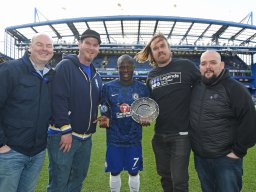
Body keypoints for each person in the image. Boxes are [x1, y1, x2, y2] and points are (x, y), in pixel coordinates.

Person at [135, 33, 201, 192]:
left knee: (179, 181)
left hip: (182, 134)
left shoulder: (186, 66)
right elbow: (150, 105)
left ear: (169, 49)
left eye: (162, 46)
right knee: (165, 177)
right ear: (152, 54)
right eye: (155, 48)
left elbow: (203, 89)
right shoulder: (151, 76)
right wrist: (144, 116)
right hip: (159, 135)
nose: (159, 50)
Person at [189, 50, 256, 192]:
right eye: (203, 63)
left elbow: (250, 122)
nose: (208, 66)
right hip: (201, 158)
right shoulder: (196, 88)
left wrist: (238, 152)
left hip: (226, 159)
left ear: (222, 65)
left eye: (213, 62)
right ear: (199, 66)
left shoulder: (235, 89)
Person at [47, 29, 102, 192]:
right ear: (79, 44)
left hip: (86, 138)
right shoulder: (65, 66)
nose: (91, 48)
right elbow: (58, 99)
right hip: (64, 135)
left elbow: (96, 102)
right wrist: (65, 129)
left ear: (98, 48)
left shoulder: (96, 75)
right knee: (59, 182)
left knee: (77, 180)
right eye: (87, 43)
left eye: (95, 45)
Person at [0, 33, 55, 192]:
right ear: (29, 47)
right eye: (39, 44)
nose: (44, 49)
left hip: (37, 153)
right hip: (10, 152)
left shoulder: (51, 76)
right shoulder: (10, 69)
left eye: (49, 46)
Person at [98, 54, 150, 192]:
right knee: (114, 171)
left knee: (134, 172)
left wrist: (146, 118)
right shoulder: (108, 87)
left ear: (134, 67)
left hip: (134, 139)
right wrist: (104, 118)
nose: (125, 70)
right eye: (122, 67)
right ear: (117, 68)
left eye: (128, 66)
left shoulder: (142, 88)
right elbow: (104, 109)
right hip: (114, 139)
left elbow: (147, 110)